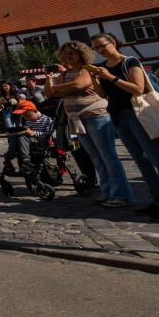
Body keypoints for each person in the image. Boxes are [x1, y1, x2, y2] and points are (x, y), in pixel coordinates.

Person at [90, 33, 159, 220]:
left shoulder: (130, 62)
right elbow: (101, 95)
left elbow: (137, 89)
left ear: (113, 43)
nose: (99, 50)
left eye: (101, 46)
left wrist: (111, 77)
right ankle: (157, 201)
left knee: (156, 158)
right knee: (141, 160)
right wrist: (95, 79)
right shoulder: (103, 67)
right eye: (95, 48)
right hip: (118, 116)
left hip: (137, 114)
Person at [43, 43, 134, 207]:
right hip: (76, 119)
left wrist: (59, 88)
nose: (67, 56)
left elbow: (79, 84)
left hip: (95, 115)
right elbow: (49, 93)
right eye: (65, 53)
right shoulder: (64, 74)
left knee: (108, 155)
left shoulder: (86, 69)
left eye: (72, 53)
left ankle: (122, 194)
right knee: (95, 157)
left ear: (81, 54)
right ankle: (107, 192)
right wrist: (50, 80)